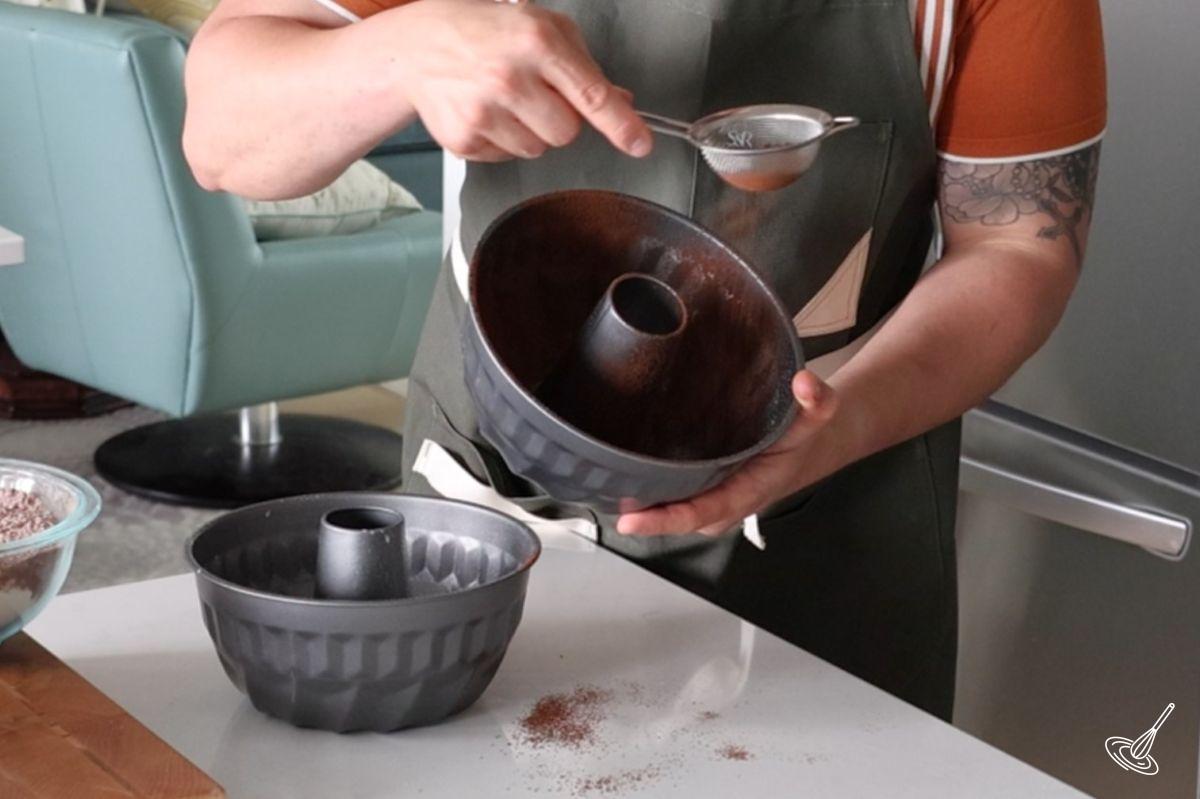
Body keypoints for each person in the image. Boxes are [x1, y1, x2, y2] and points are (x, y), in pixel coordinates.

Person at [183, 0, 1106, 720]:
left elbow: (1018, 244)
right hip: (489, 507)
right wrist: (401, 54)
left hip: (829, 527)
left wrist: (843, 419)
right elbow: (225, 131)